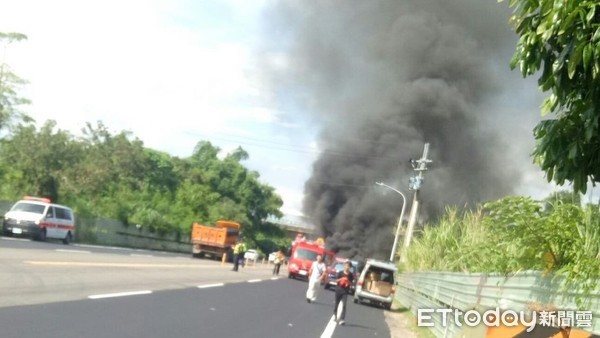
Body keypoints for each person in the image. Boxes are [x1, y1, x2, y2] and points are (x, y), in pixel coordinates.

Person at [333, 260, 355, 325]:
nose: (347, 267)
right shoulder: (340, 273)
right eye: (346, 266)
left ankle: (342, 319)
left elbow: (352, 284)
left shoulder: (351, 275)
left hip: (345, 291)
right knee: (336, 303)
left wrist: (348, 281)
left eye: (348, 266)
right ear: (344, 266)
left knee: (344, 305)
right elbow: (336, 280)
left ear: (350, 267)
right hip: (338, 289)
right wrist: (342, 279)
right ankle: (335, 315)